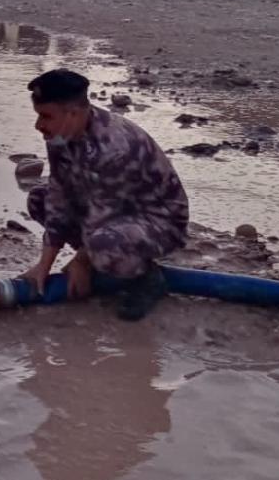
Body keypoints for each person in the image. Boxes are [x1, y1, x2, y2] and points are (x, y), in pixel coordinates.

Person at [21, 68, 189, 321]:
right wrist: (42, 267)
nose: (38, 125)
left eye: (45, 116)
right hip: (111, 209)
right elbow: (58, 196)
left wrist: (82, 262)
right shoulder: (60, 133)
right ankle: (108, 260)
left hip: (159, 221)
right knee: (38, 200)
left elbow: (103, 215)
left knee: (102, 243)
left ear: (73, 113)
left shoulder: (114, 147)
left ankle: (146, 277)